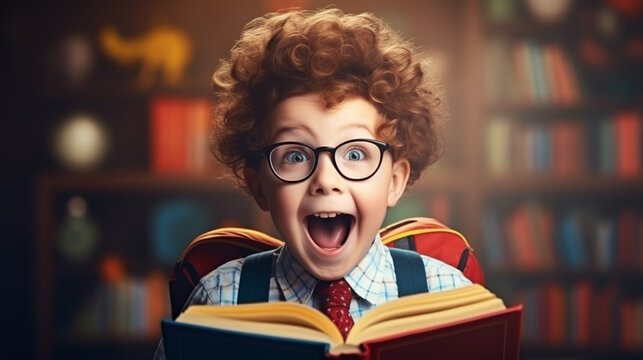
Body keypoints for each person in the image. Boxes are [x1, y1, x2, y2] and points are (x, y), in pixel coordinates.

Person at [154, 7, 471, 359]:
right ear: (259, 186)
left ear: (395, 181)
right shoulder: (217, 302)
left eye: (354, 154)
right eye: (295, 155)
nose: (325, 180)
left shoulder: (447, 297)